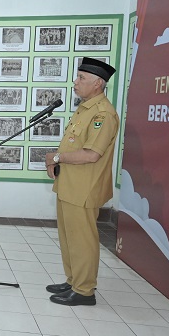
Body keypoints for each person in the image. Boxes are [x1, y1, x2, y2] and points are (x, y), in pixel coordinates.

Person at [44, 57, 118, 306]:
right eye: (77, 77)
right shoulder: (84, 108)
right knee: (68, 237)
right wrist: (58, 160)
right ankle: (73, 280)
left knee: (83, 239)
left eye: (81, 78)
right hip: (69, 184)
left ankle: (85, 290)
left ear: (98, 84)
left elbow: (91, 154)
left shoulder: (103, 114)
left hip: (84, 188)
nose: (76, 83)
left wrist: (55, 157)